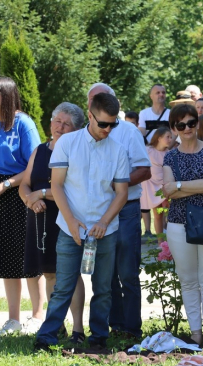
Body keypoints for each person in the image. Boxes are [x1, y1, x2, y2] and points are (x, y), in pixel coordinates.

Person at [34, 92, 129, 351]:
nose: (108, 130)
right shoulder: (67, 144)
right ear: (90, 116)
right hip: (69, 227)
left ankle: (98, 337)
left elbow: (121, 194)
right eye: (103, 124)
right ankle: (47, 336)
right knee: (63, 285)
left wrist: (104, 222)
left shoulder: (119, 150)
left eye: (113, 124)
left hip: (106, 230)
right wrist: (72, 221)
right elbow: (57, 185)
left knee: (103, 288)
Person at [0, 76, 43, 336]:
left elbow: (33, 166)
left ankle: (37, 315)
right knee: (5, 258)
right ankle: (13, 319)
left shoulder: (24, 124)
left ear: (6, 95)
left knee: (28, 258)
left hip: (19, 193)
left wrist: (4, 186)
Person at [87, 83, 151, 340]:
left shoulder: (128, 132)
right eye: (94, 101)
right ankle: (111, 326)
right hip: (97, 212)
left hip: (125, 210)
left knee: (127, 273)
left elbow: (144, 170)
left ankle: (132, 328)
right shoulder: (85, 134)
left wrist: (118, 184)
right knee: (104, 273)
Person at [19, 102, 86, 339]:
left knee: (70, 273)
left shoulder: (77, 152)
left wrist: (43, 194)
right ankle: (56, 326)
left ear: (76, 129)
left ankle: (78, 329)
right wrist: (30, 199)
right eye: (57, 120)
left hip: (65, 218)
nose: (60, 126)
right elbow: (25, 182)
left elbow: (74, 188)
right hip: (38, 220)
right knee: (49, 273)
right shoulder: (40, 150)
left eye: (67, 123)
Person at [162, 103, 203, 347]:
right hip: (178, 223)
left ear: (197, 124)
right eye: (180, 124)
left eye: (190, 122)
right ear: (173, 127)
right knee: (187, 280)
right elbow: (167, 191)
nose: (186, 128)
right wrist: (197, 185)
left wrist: (179, 186)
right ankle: (195, 334)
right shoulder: (170, 156)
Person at [140, 126, 172, 244]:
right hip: (153, 187)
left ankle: (171, 241)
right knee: (158, 215)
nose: (170, 139)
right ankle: (160, 243)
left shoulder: (169, 154)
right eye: (167, 137)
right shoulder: (148, 150)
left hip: (166, 186)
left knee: (169, 215)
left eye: (171, 137)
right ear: (159, 138)